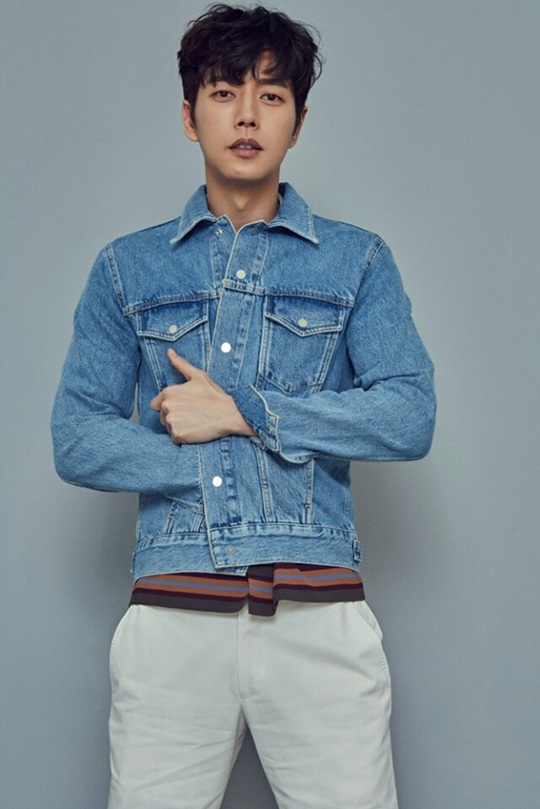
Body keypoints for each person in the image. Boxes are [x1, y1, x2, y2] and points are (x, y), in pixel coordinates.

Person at [51, 4, 436, 808]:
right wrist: (200, 461)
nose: (248, 115)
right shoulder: (127, 268)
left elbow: (408, 415)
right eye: (225, 92)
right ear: (189, 116)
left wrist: (246, 413)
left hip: (318, 615)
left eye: (271, 95)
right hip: (172, 620)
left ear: (299, 120)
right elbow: (77, 436)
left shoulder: (357, 261)